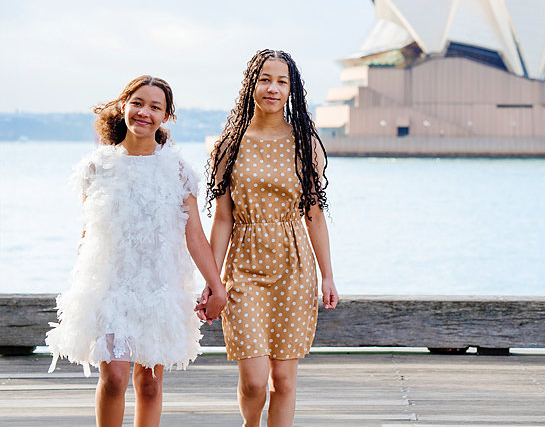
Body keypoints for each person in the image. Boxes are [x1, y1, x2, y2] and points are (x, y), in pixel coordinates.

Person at [45, 75, 227, 427]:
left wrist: (215, 285)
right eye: (138, 103)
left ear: (166, 117)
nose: (144, 112)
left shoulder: (177, 170)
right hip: (110, 286)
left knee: (149, 384)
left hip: (158, 287)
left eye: (155, 107)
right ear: (124, 105)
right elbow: (88, 234)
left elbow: (195, 237)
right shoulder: (97, 167)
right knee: (113, 377)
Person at [201, 49, 338, 427]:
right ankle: (250, 424)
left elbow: (314, 214)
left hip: (294, 266)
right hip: (244, 267)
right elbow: (223, 218)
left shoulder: (304, 144)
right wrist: (212, 282)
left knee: (283, 379)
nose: (272, 88)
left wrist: (327, 275)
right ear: (251, 85)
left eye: (282, 81)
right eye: (265, 79)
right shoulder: (228, 145)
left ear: (291, 90)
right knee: (255, 381)